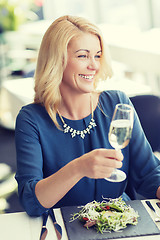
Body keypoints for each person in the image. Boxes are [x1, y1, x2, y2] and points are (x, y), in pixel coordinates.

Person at [15, 15, 160, 217]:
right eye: (83, 56)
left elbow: (149, 173)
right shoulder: (31, 119)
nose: (94, 66)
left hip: (120, 222)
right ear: (57, 60)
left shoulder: (117, 103)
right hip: (65, 227)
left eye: (98, 56)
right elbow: (32, 201)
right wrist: (78, 168)